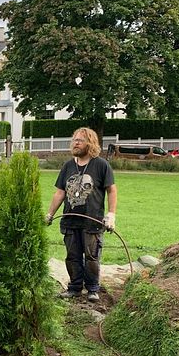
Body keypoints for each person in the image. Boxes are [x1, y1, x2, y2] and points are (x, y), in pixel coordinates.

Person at [44, 127, 117, 302]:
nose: (76, 143)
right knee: (72, 256)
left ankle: (92, 289)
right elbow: (60, 192)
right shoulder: (68, 166)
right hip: (70, 220)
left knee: (91, 256)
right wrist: (50, 214)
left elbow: (111, 190)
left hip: (92, 222)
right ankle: (75, 288)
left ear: (90, 143)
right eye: (74, 140)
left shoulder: (101, 165)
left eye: (80, 140)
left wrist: (111, 214)